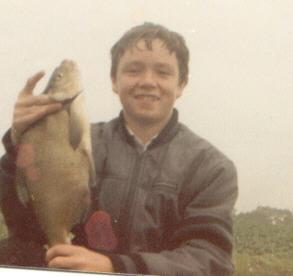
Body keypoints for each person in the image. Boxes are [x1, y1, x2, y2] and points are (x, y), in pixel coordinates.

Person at [0, 22, 238, 275]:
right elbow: (23, 222)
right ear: (114, 80)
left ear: (181, 84)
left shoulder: (211, 167)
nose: (147, 81)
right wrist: (19, 142)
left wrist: (117, 267)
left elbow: (209, 258)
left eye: (163, 72)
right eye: (134, 70)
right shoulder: (78, 143)